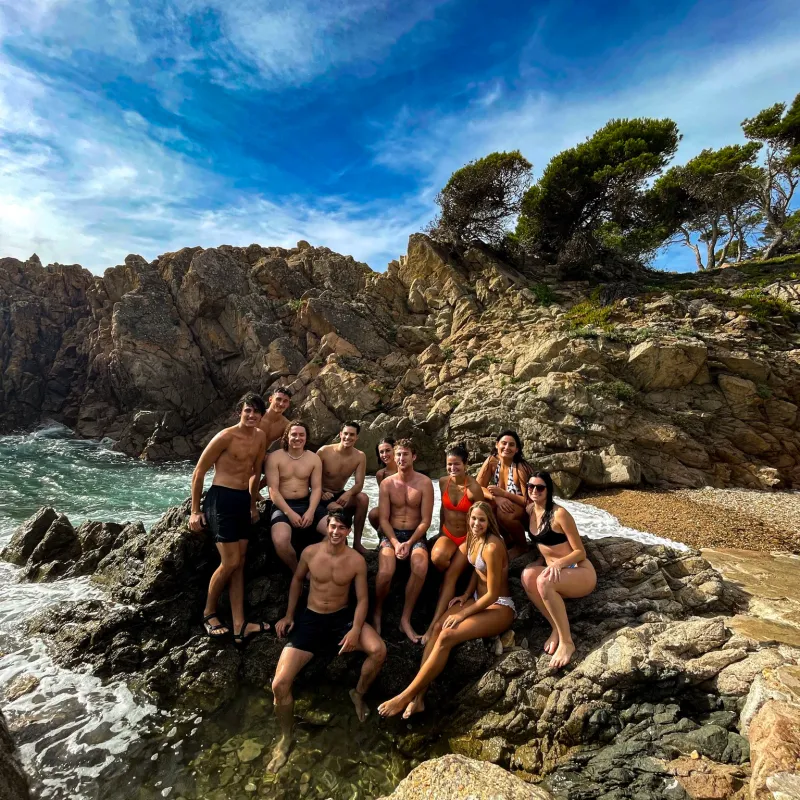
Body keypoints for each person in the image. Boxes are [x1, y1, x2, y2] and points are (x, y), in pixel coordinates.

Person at [270, 511, 387, 772]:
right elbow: (298, 581)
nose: (335, 532)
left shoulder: (356, 561)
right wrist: (289, 615)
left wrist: (356, 629)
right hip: (311, 621)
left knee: (378, 650)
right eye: (333, 526)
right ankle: (285, 738)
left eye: (342, 528)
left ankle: (357, 694)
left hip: (341, 619)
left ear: (348, 531)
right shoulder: (310, 553)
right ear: (328, 526)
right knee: (279, 684)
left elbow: (363, 599)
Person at [378, 501, 515, 719]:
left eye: (482, 519)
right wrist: (466, 594)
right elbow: (476, 572)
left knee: (447, 636)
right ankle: (419, 698)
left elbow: (493, 593)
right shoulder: (474, 539)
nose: (477, 523)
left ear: (489, 522)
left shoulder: (492, 546)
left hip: (499, 606)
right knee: (438, 627)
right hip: (477, 599)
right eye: (473, 518)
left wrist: (463, 613)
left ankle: (405, 696)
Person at [189, 392, 269, 644]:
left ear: (261, 415)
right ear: (240, 412)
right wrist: (194, 510)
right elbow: (199, 471)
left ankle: (239, 624)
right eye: (247, 410)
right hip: (220, 498)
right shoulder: (225, 436)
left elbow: (255, 472)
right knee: (230, 561)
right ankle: (209, 613)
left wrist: (253, 503)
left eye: (256, 411)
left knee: (240, 562)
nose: (251, 415)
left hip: (242, 500)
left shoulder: (261, 437)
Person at [520, 470, 596, 669]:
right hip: (555, 572)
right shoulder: (529, 511)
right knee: (528, 576)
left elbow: (580, 552)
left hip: (578, 571)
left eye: (540, 487)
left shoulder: (559, 514)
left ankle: (567, 642)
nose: (534, 490)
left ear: (548, 490)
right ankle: (556, 627)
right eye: (531, 486)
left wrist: (558, 563)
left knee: (543, 582)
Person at [373, 439, 433, 643]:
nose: (401, 458)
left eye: (405, 454)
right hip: (391, 535)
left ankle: (405, 619)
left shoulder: (424, 483)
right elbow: (383, 519)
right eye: (398, 454)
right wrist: (396, 543)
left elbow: (426, 520)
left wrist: (409, 542)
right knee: (385, 572)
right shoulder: (387, 484)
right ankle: (378, 611)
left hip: (415, 536)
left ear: (414, 456)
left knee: (421, 566)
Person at [267, 421, 323, 573]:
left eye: (301, 435)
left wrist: (311, 511)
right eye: (294, 434)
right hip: (282, 504)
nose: (297, 438)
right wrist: (289, 513)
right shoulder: (275, 457)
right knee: (280, 540)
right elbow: (273, 490)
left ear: (306, 437)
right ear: (287, 436)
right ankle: (298, 571)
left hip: (307, 502)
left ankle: (317, 566)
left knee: (334, 532)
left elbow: (317, 488)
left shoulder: (313, 458)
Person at [315, 421, 369, 555]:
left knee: (363, 498)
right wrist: (321, 492)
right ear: (340, 434)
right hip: (321, 495)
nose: (348, 437)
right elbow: (309, 476)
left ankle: (357, 543)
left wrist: (348, 493)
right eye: (345, 433)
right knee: (337, 509)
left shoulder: (360, 456)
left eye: (352, 435)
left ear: (357, 437)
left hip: (340, 494)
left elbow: (359, 484)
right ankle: (340, 545)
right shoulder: (324, 451)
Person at [476, 430, 532, 557]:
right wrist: (495, 498)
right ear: (497, 445)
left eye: (511, 445)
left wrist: (504, 494)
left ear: (517, 449)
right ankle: (507, 539)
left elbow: (530, 501)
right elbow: (477, 487)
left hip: (527, 513)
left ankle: (522, 546)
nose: (507, 447)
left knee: (504, 513)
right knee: (484, 505)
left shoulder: (520, 468)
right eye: (504, 443)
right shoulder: (492, 461)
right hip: (505, 503)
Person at [431, 444, 482, 572]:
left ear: (465, 464)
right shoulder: (443, 482)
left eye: (457, 464)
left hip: (468, 536)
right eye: (449, 464)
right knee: (437, 558)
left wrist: (480, 541)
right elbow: (443, 509)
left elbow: (484, 516)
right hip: (448, 534)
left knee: (453, 572)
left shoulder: (474, 488)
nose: (452, 468)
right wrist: (440, 532)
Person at [367, 437, 397, 535]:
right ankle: (383, 537)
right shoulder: (381, 474)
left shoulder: (405, 470)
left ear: (395, 450)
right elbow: (384, 500)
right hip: (390, 509)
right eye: (381, 452)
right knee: (373, 514)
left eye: (388, 450)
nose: (384, 455)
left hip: (407, 510)